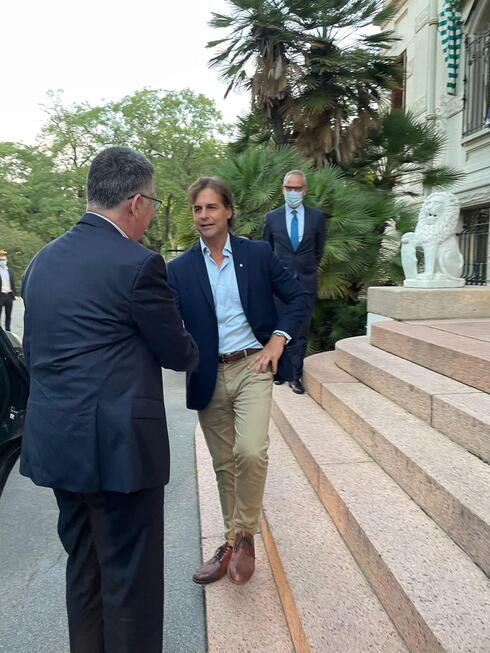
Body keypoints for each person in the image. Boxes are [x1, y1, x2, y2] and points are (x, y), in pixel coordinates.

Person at [20, 146, 198, 653]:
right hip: (119, 452)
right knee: (130, 582)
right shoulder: (139, 264)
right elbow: (176, 351)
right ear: (137, 203)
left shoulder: (42, 261)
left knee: (85, 569)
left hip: (58, 444)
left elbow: (36, 351)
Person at [167, 177, 308, 586]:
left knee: (250, 450)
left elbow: (297, 297)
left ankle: (243, 535)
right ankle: (231, 543)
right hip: (208, 372)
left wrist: (277, 342)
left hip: (253, 366)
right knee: (223, 464)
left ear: (228, 211)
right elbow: (169, 322)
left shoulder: (257, 254)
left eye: (211, 207)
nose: (204, 215)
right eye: (197, 209)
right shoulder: (179, 269)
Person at [263, 170, 326, 394]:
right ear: (283, 189)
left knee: (300, 330)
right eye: (289, 188)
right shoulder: (272, 218)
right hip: (280, 284)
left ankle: (296, 376)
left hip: (305, 283)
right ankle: (279, 373)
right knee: (279, 329)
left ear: (304, 190)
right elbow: (267, 252)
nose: (292, 192)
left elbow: (318, 251)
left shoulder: (317, 217)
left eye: (297, 188)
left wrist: (305, 270)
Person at [0, 249, 17, 331]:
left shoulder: (9, 271)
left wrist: (15, 294)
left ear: (6, 260)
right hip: (1, 295)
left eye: (4, 260)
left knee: (8, 315)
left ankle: (8, 331)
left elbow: (12, 283)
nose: (2, 261)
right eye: (1, 260)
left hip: (9, 296)